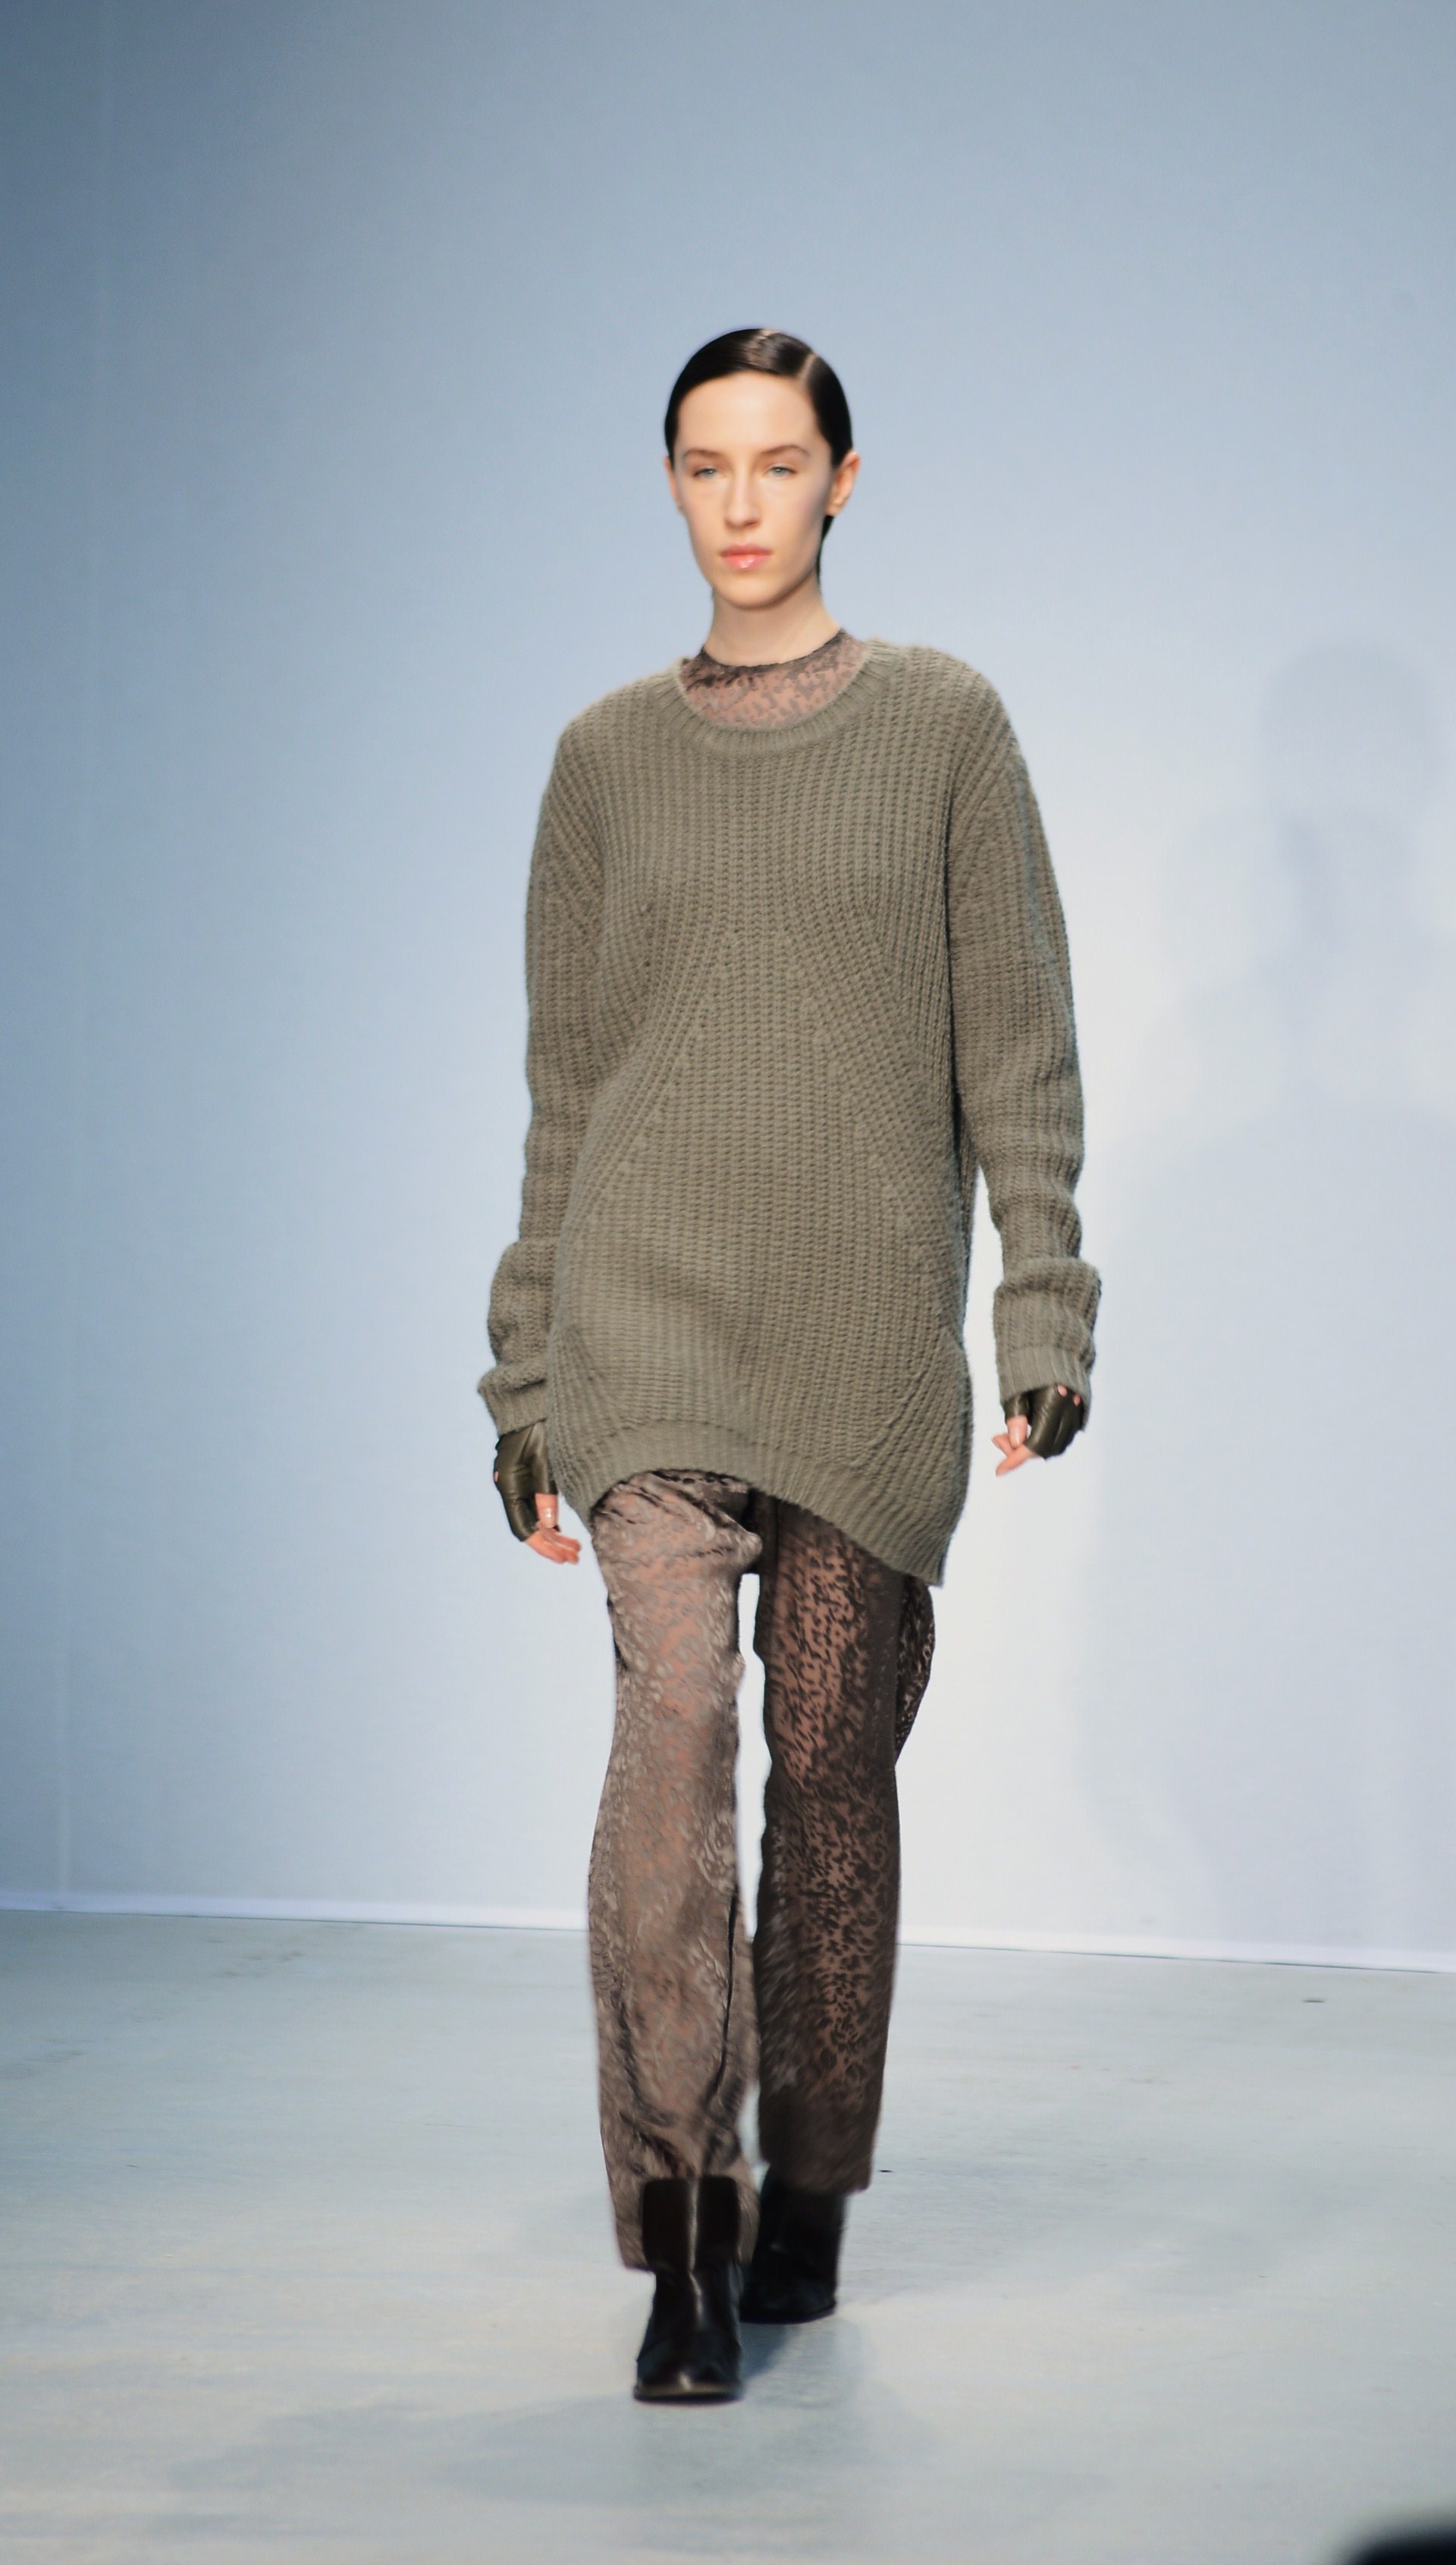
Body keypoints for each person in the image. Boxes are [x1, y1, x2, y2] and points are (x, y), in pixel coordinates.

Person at [480, 328, 1098, 2403]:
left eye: (776, 462)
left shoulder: (947, 729)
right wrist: (522, 1374)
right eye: (703, 465)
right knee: (671, 1757)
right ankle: (686, 2237)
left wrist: (1042, 1308)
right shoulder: (602, 761)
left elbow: (1018, 1046)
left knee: (832, 1769)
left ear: (845, 478)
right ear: (669, 485)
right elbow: (567, 1092)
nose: (740, 502)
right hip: (642, 1326)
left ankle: (811, 2177)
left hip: (860, 1346)